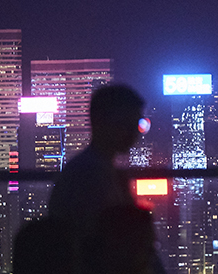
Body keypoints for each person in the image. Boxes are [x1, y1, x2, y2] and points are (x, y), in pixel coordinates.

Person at [47, 83, 148, 256]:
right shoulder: (89, 175)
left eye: (137, 124)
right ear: (100, 121)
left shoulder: (95, 169)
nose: (133, 132)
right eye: (124, 123)